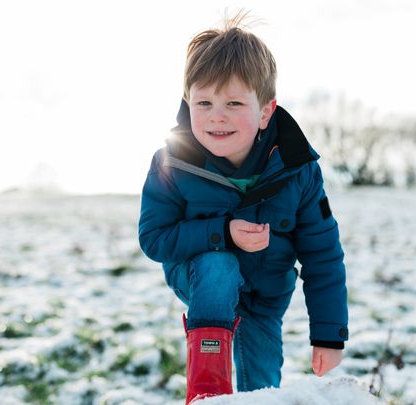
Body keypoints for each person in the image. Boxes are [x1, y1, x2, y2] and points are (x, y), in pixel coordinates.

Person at [138, 13, 348, 403]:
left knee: (263, 385)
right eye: (204, 102)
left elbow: (324, 255)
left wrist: (328, 336)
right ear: (188, 103)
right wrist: (223, 233)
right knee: (219, 264)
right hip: (202, 283)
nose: (217, 115)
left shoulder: (297, 169)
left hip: (265, 296)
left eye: (234, 102)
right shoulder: (172, 163)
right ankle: (206, 393)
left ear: (265, 111)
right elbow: (154, 237)